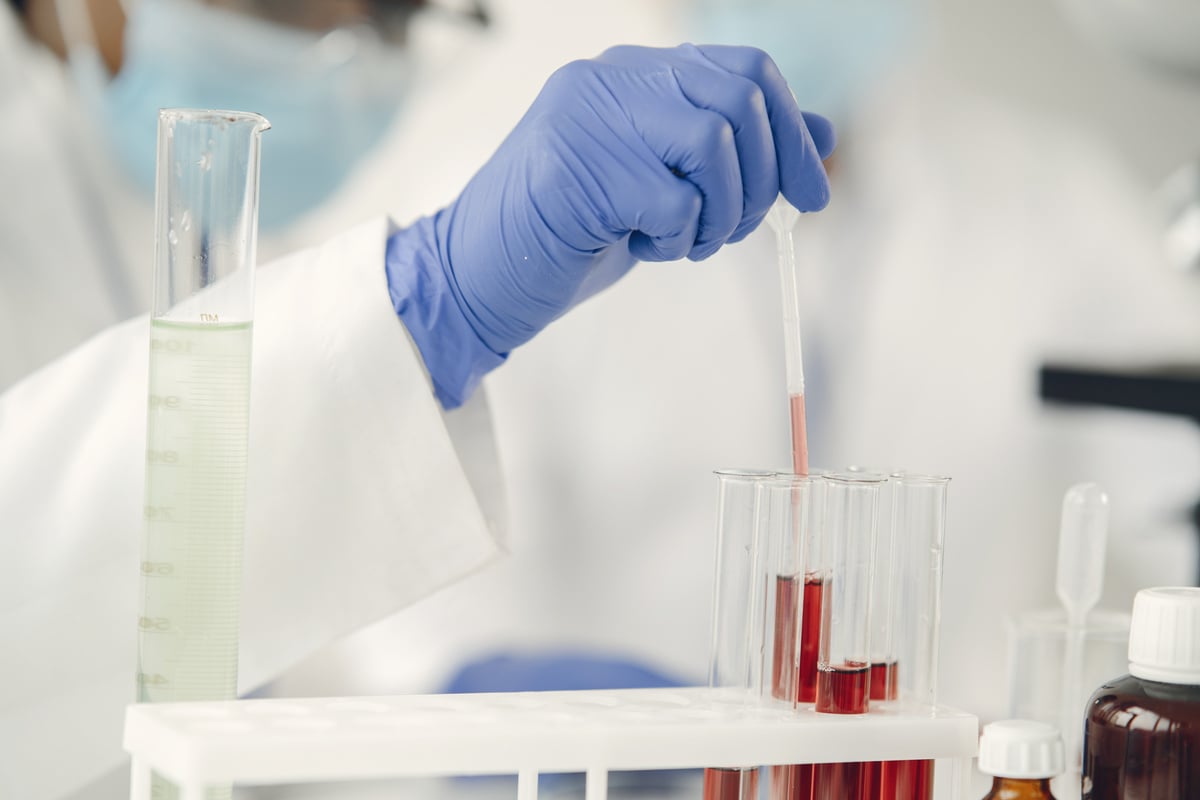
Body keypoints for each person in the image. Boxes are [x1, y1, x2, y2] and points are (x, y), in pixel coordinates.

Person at [0, 2, 837, 796]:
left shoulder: (221, 224)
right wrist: (423, 308)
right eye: (284, 9)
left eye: (393, 14)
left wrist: (429, 712)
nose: (341, 44)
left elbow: (206, 656)